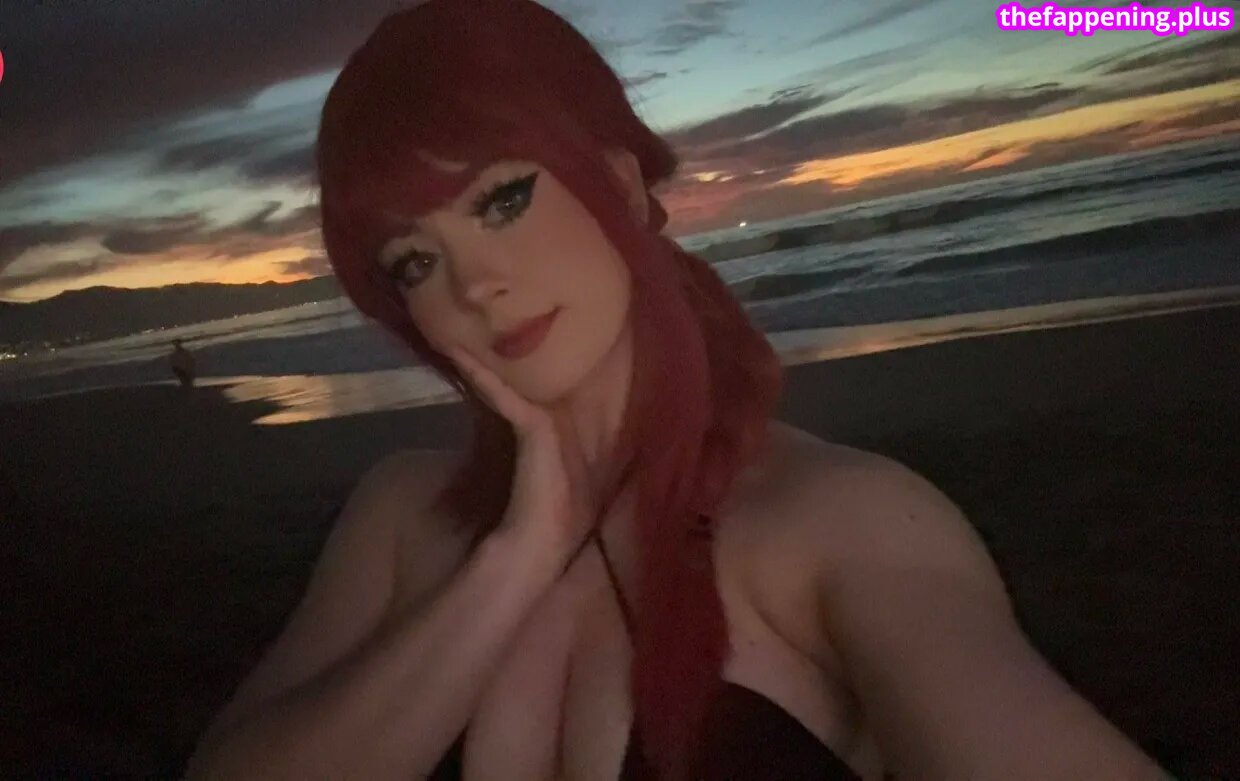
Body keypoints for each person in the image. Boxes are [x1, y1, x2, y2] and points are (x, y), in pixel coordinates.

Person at [185, 2, 1170, 779]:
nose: (474, 283)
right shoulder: (400, 515)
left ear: (617, 185)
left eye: (500, 200)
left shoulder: (838, 521)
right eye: (413, 260)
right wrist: (514, 561)